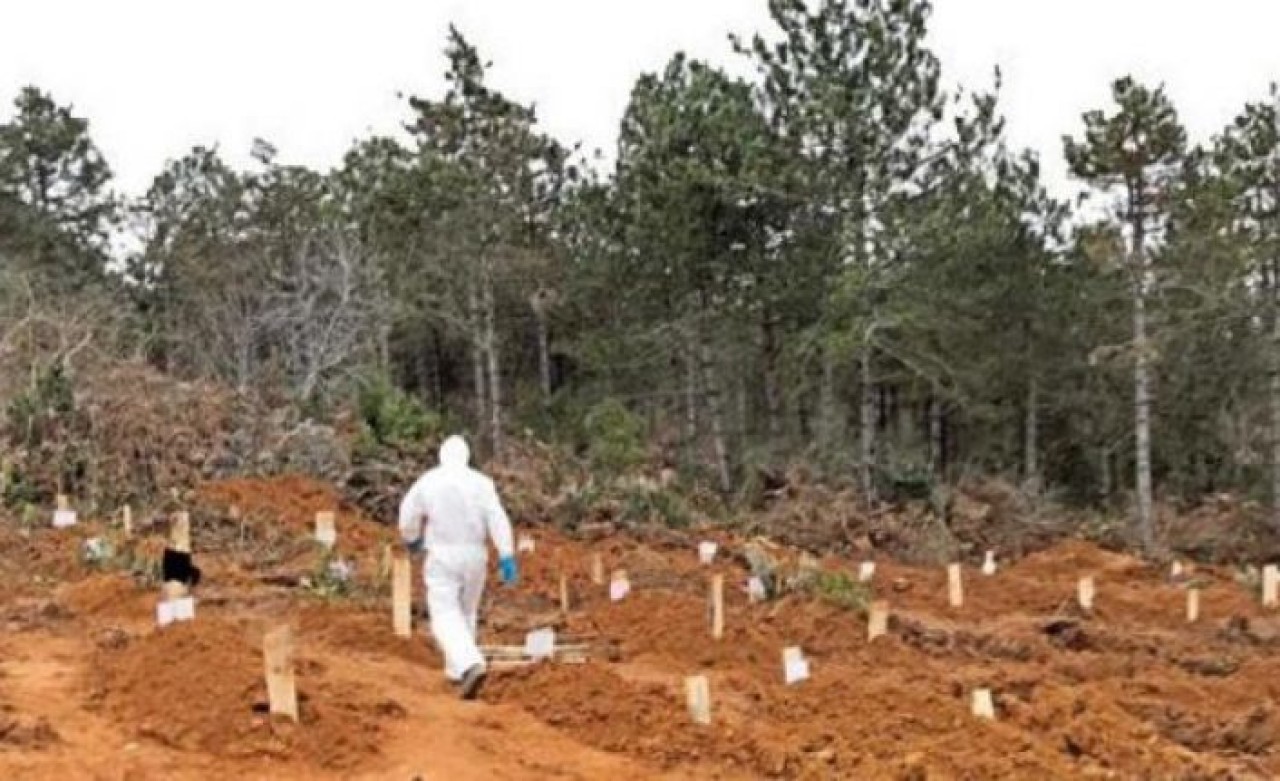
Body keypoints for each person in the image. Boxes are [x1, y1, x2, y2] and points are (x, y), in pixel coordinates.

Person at [399, 435, 517, 700]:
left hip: (442, 553)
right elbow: (497, 517)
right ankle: (458, 674)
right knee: (467, 612)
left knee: (443, 615)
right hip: (475, 554)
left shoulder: (429, 480)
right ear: (466, 457)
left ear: (441, 456)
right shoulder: (482, 483)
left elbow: (407, 515)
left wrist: (412, 539)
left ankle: (468, 664)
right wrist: (507, 554)